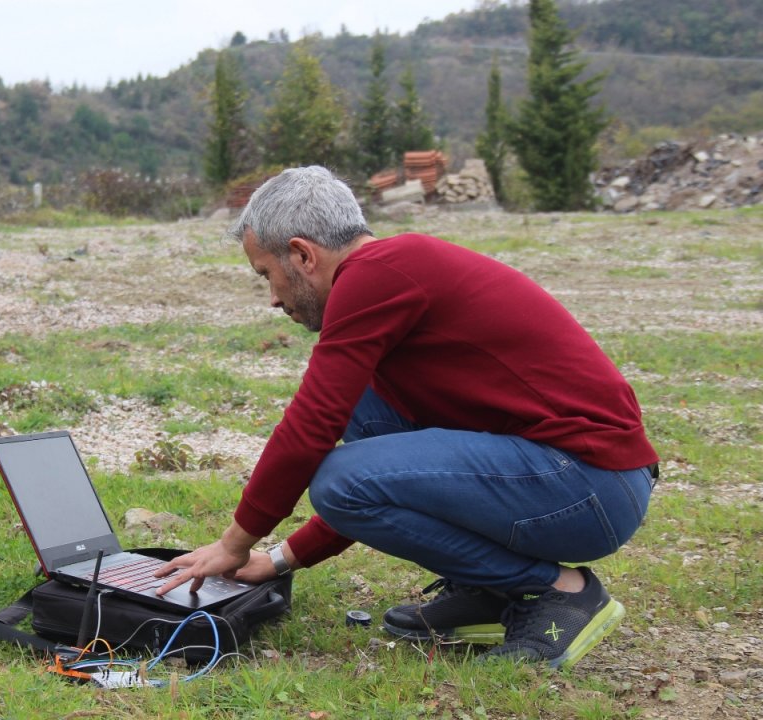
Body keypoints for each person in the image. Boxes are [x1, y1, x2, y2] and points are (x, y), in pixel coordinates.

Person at [154, 166, 658, 670]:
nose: (271, 297)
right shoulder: (393, 272)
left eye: (267, 273)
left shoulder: (379, 273)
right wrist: (282, 558)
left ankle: (562, 594)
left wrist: (235, 544)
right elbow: (382, 466)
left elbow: (312, 427)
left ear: (303, 255)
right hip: (573, 480)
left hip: (592, 486)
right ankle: (491, 591)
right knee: (364, 408)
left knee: (339, 478)